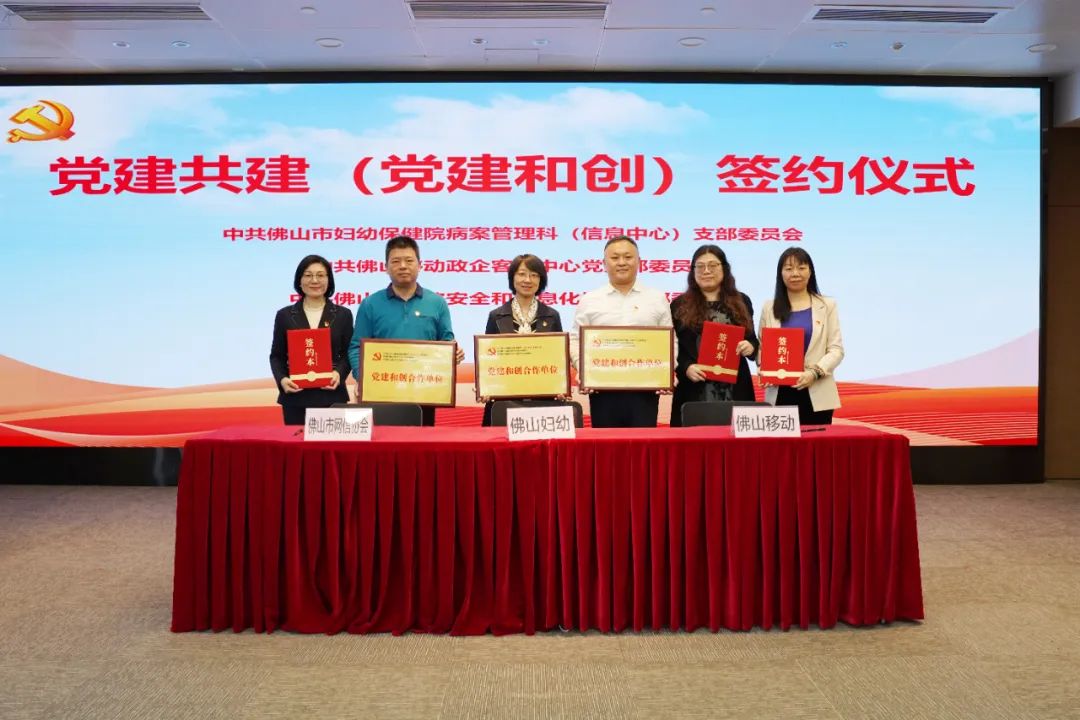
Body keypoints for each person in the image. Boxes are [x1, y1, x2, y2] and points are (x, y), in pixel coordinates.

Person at [349, 235, 464, 426]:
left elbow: (446, 342)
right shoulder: (370, 304)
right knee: (384, 443)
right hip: (382, 391)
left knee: (421, 442)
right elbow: (356, 348)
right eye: (396, 261)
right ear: (386, 267)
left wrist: (454, 353)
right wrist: (363, 379)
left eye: (409, 260)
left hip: (425, 392)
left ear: (420, 265)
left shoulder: (437, 303)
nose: (403, 266)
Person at [570, 235, 677, 428]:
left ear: (639, 262)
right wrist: (584, 370)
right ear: (604, 264)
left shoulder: (657, 298)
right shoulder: (589, 300)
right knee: (606, 444)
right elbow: (576, 340)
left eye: (628, 257)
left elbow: (670, 340)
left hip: (645, 389)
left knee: (643, 444)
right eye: (615, 257)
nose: (621, 262)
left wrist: (666, 371)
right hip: (602, 389)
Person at [670, 245, 759, 427]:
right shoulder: (679, 305)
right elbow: (673, 347)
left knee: (736, 441)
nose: (706, 271)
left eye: (713, 265)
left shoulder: (742, 301)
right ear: (692, 271)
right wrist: (685, 368)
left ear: (724, 268)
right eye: (700, 266)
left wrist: (750, 347)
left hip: (735, 387)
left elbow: (752, 340)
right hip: (694, 387)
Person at [758, 247, 844, 425]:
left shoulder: (827, 305)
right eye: (789, 269)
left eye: (801, 268)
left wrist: (814, 373)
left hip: (817, 390)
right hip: (780, 391)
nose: (795, 274)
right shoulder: (769, 307)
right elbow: (762, 347)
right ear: (780, 274)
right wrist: (763, 368)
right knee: (782, 442)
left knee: (817, 442)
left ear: (810, 272)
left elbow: (836, 350)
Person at [480, 253, 564, 426]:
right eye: (522, 274)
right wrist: (486, 385)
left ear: (541, 280)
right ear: (512, 278)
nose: (528, 280)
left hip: (543, 398)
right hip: (504, 398)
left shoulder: (552, 316)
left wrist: (561, 385)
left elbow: (558, 359)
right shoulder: (496, 316)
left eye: (534, 275)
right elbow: (488, 358)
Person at [270, 255, 353, 425]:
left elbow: (348, 353)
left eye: (321, 275)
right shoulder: (284, 315)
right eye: (308, 275)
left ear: (329, 280)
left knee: (332, 442)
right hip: (296, 398)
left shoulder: (343, 314)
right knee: (297, 442)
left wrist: (338, 374)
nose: (314, 280)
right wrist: (282, 380)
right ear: (299, 281)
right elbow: (276, 356)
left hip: (332, 396)